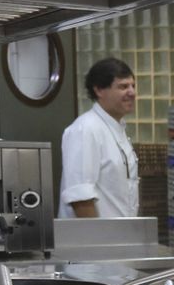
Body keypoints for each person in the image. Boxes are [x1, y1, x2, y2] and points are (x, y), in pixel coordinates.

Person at [59, 57, 139, 219]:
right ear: (99, 90)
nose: (132, 92)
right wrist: (99, 241)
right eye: (123, 86)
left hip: (119, 235)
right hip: (96, 239)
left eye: (133, 86)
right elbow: (81, 197)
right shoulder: (85, 129)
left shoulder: (117, 129)